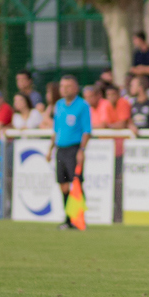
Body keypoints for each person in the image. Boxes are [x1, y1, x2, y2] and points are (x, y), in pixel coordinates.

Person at [46, 75, 92, 229]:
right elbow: (55, 130)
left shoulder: (82, 106)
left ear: (76, 88)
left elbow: (87, 131)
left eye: (68, 86)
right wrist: (50, 149)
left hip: (74, 149)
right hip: (60, 149)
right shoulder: (58, 105)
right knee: (63, 186)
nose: (64, 89)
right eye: (62, 86)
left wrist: (82, 150)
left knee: (76, 184)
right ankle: (68, 219)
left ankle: (79, 218)